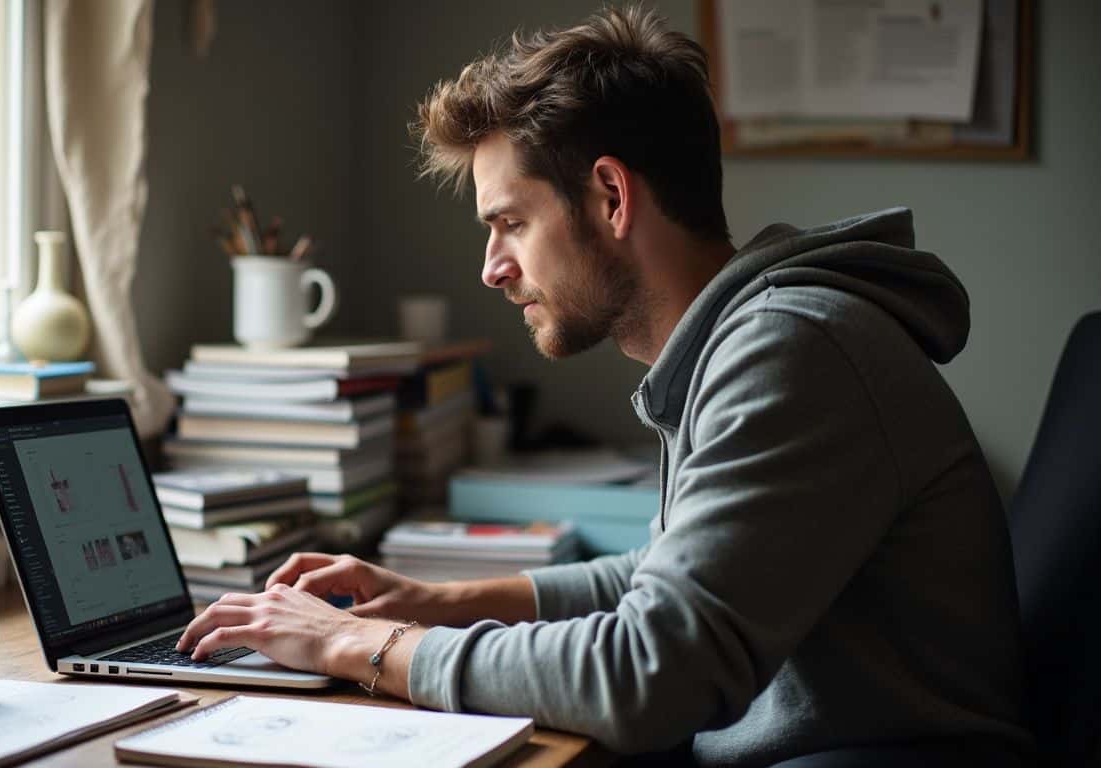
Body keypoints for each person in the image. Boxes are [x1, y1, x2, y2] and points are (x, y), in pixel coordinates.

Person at [176, 6, 1031, 764]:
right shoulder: (746, 339)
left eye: (510, 222)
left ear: (612, 196)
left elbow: (648, 673)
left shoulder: (791, 350)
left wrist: (356, 646)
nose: (491, 268)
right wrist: (435, 601)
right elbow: (666, 578)